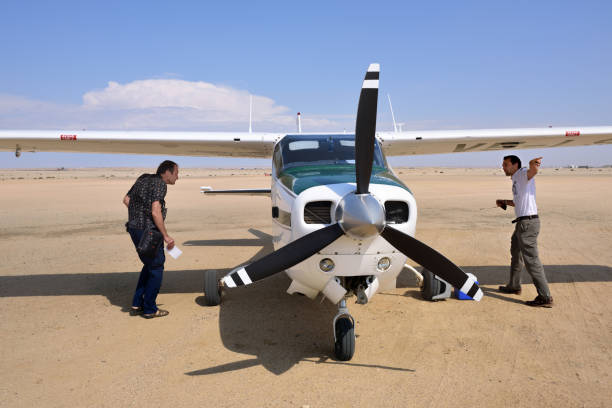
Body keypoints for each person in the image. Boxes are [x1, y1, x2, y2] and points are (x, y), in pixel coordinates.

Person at [123, 160, 179, 318]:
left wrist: (139, 215)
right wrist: (166, 236)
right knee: (156, 267)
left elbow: (126, 200)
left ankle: (137, 303)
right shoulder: (160, 184)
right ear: (166, 173)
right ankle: (149, 309)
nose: (177, 177)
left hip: (134, 228)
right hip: (148, 232)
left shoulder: (143, 178)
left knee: (149, 264)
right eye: (176, 173)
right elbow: (156, 212)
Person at [496, 155, 553, 307]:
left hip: (528, 224)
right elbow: (517, 202)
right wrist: (504, 202)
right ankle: (514, 285)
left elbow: (532, 172)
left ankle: (545, 297)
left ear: (515, 165)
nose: (503, 167)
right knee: (516, 252)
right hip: (522, 224)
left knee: (531, 261)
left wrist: (533, 164)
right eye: (503, 164)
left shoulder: (522, 174)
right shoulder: (516, 179)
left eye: (506, 164)